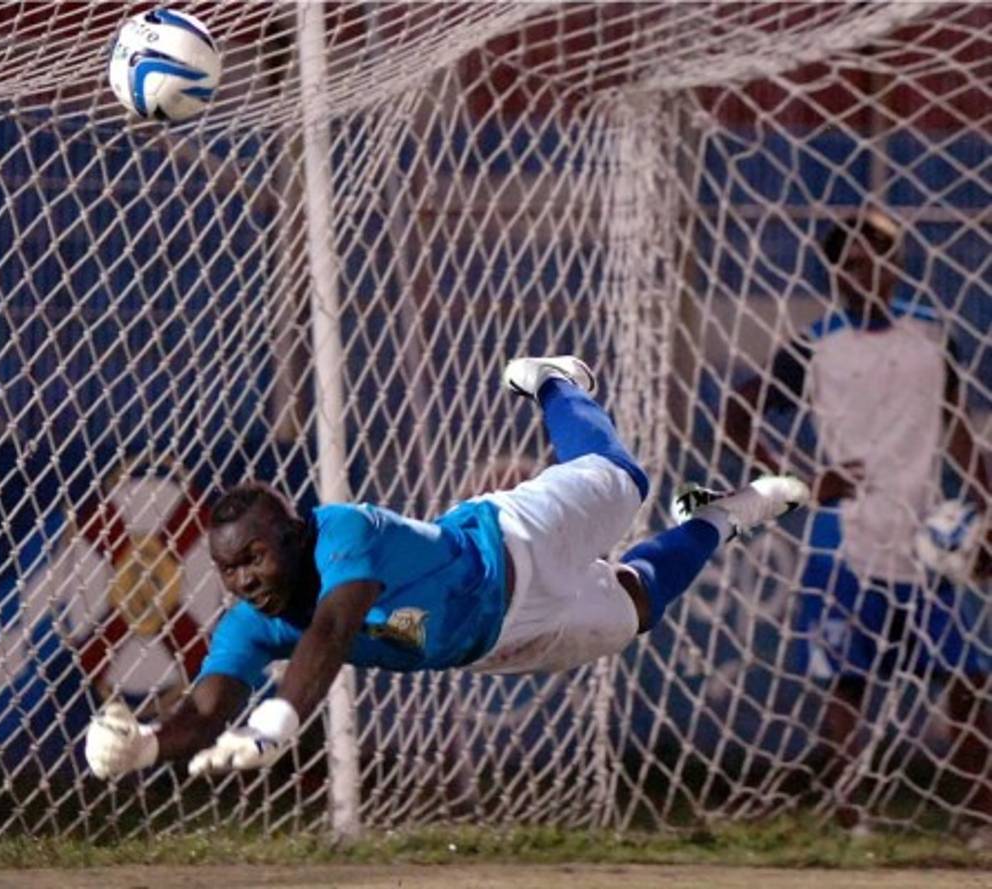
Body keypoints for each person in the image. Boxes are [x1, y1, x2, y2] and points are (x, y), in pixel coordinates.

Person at [84, 355, 808, 780]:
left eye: (254, 557)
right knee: (636, 608)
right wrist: (143, 746)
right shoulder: (254, 622)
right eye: (228, 568)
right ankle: (720, 517)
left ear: (295, 535)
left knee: (623, 481)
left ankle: (556, 383)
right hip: (496, 639)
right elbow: (207, 708)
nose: (243, 579)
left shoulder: (344, 531)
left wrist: (278, 719)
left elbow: (334, 628)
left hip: (517, 540)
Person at [721, 208, 992, 835]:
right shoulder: (817, 344)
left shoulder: (932, 337)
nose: (873, 271)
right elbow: (739, 409)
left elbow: (955, 427)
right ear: (836, 271)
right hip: (843, 534)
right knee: (848, 682)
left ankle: (979, 818)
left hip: (924, 534)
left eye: (884, 258)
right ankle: (849, 820)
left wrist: (985, 500)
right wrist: (801, 482)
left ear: (899, 266)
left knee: (967, 677)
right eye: (857, 262)